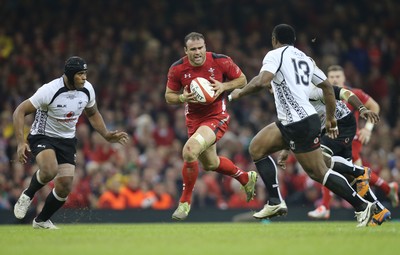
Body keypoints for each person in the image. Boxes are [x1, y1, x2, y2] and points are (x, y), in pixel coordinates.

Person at [229, 24, 375, 227]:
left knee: (318, 171)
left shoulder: (275, 54)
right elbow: (326, 87)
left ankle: (362, 206)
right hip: (295, 121)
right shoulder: (304, 58)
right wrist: (331, 117)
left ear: (274, 39)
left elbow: (262, 81)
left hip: (299, 123)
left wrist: (239, 93)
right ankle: (275, 201)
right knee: (257, 147)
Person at [13, 56, 129, 229]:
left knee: (64, 187)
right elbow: (19, 111)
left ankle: (41, 220)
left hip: (67, 140)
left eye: (85, 73)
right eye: (80, 74)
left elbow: (93, 113)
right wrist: (21, 142)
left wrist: (106, 134)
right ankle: (27, 195)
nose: (84, 77)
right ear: (70, 74)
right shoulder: (50, 90)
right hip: (43, 135)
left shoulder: (87, 89)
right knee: (49, 170)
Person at [165, 32, 257, 220]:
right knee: (210, 163)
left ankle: (184, 202)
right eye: (193, 49)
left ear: (205, 47)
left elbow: (243, 80)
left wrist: (223, 86)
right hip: (194, 121)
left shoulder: (220, 61)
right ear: (186, 51)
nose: (197, 52)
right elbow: (169, 96)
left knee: (190, 151)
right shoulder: (177, 69)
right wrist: (182, 97)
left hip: (216, 116)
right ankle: (245, 177)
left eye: (200, 48)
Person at [275, 84, 390, 226]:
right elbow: (292, 127)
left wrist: (361, 109)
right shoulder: (288, 98)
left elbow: (345, 93)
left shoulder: (308, 88)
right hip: (329, 128)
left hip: (341, 124)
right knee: (349, 178)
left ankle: (361, 171)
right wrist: (286, 150)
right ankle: (379, 209)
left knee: (321, 158)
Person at [308, 65, 398, 220]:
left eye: (338, 76)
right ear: (327, 78)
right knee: (350, 175)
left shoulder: (353, 93)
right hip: (332, 135)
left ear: (344, 78)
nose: (335, 79)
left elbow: (374, 106)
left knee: (327, 162)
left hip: (350, 136)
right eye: (332, 77)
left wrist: (368, 129)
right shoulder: (323, 92)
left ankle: (325, 206)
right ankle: (382, 200)